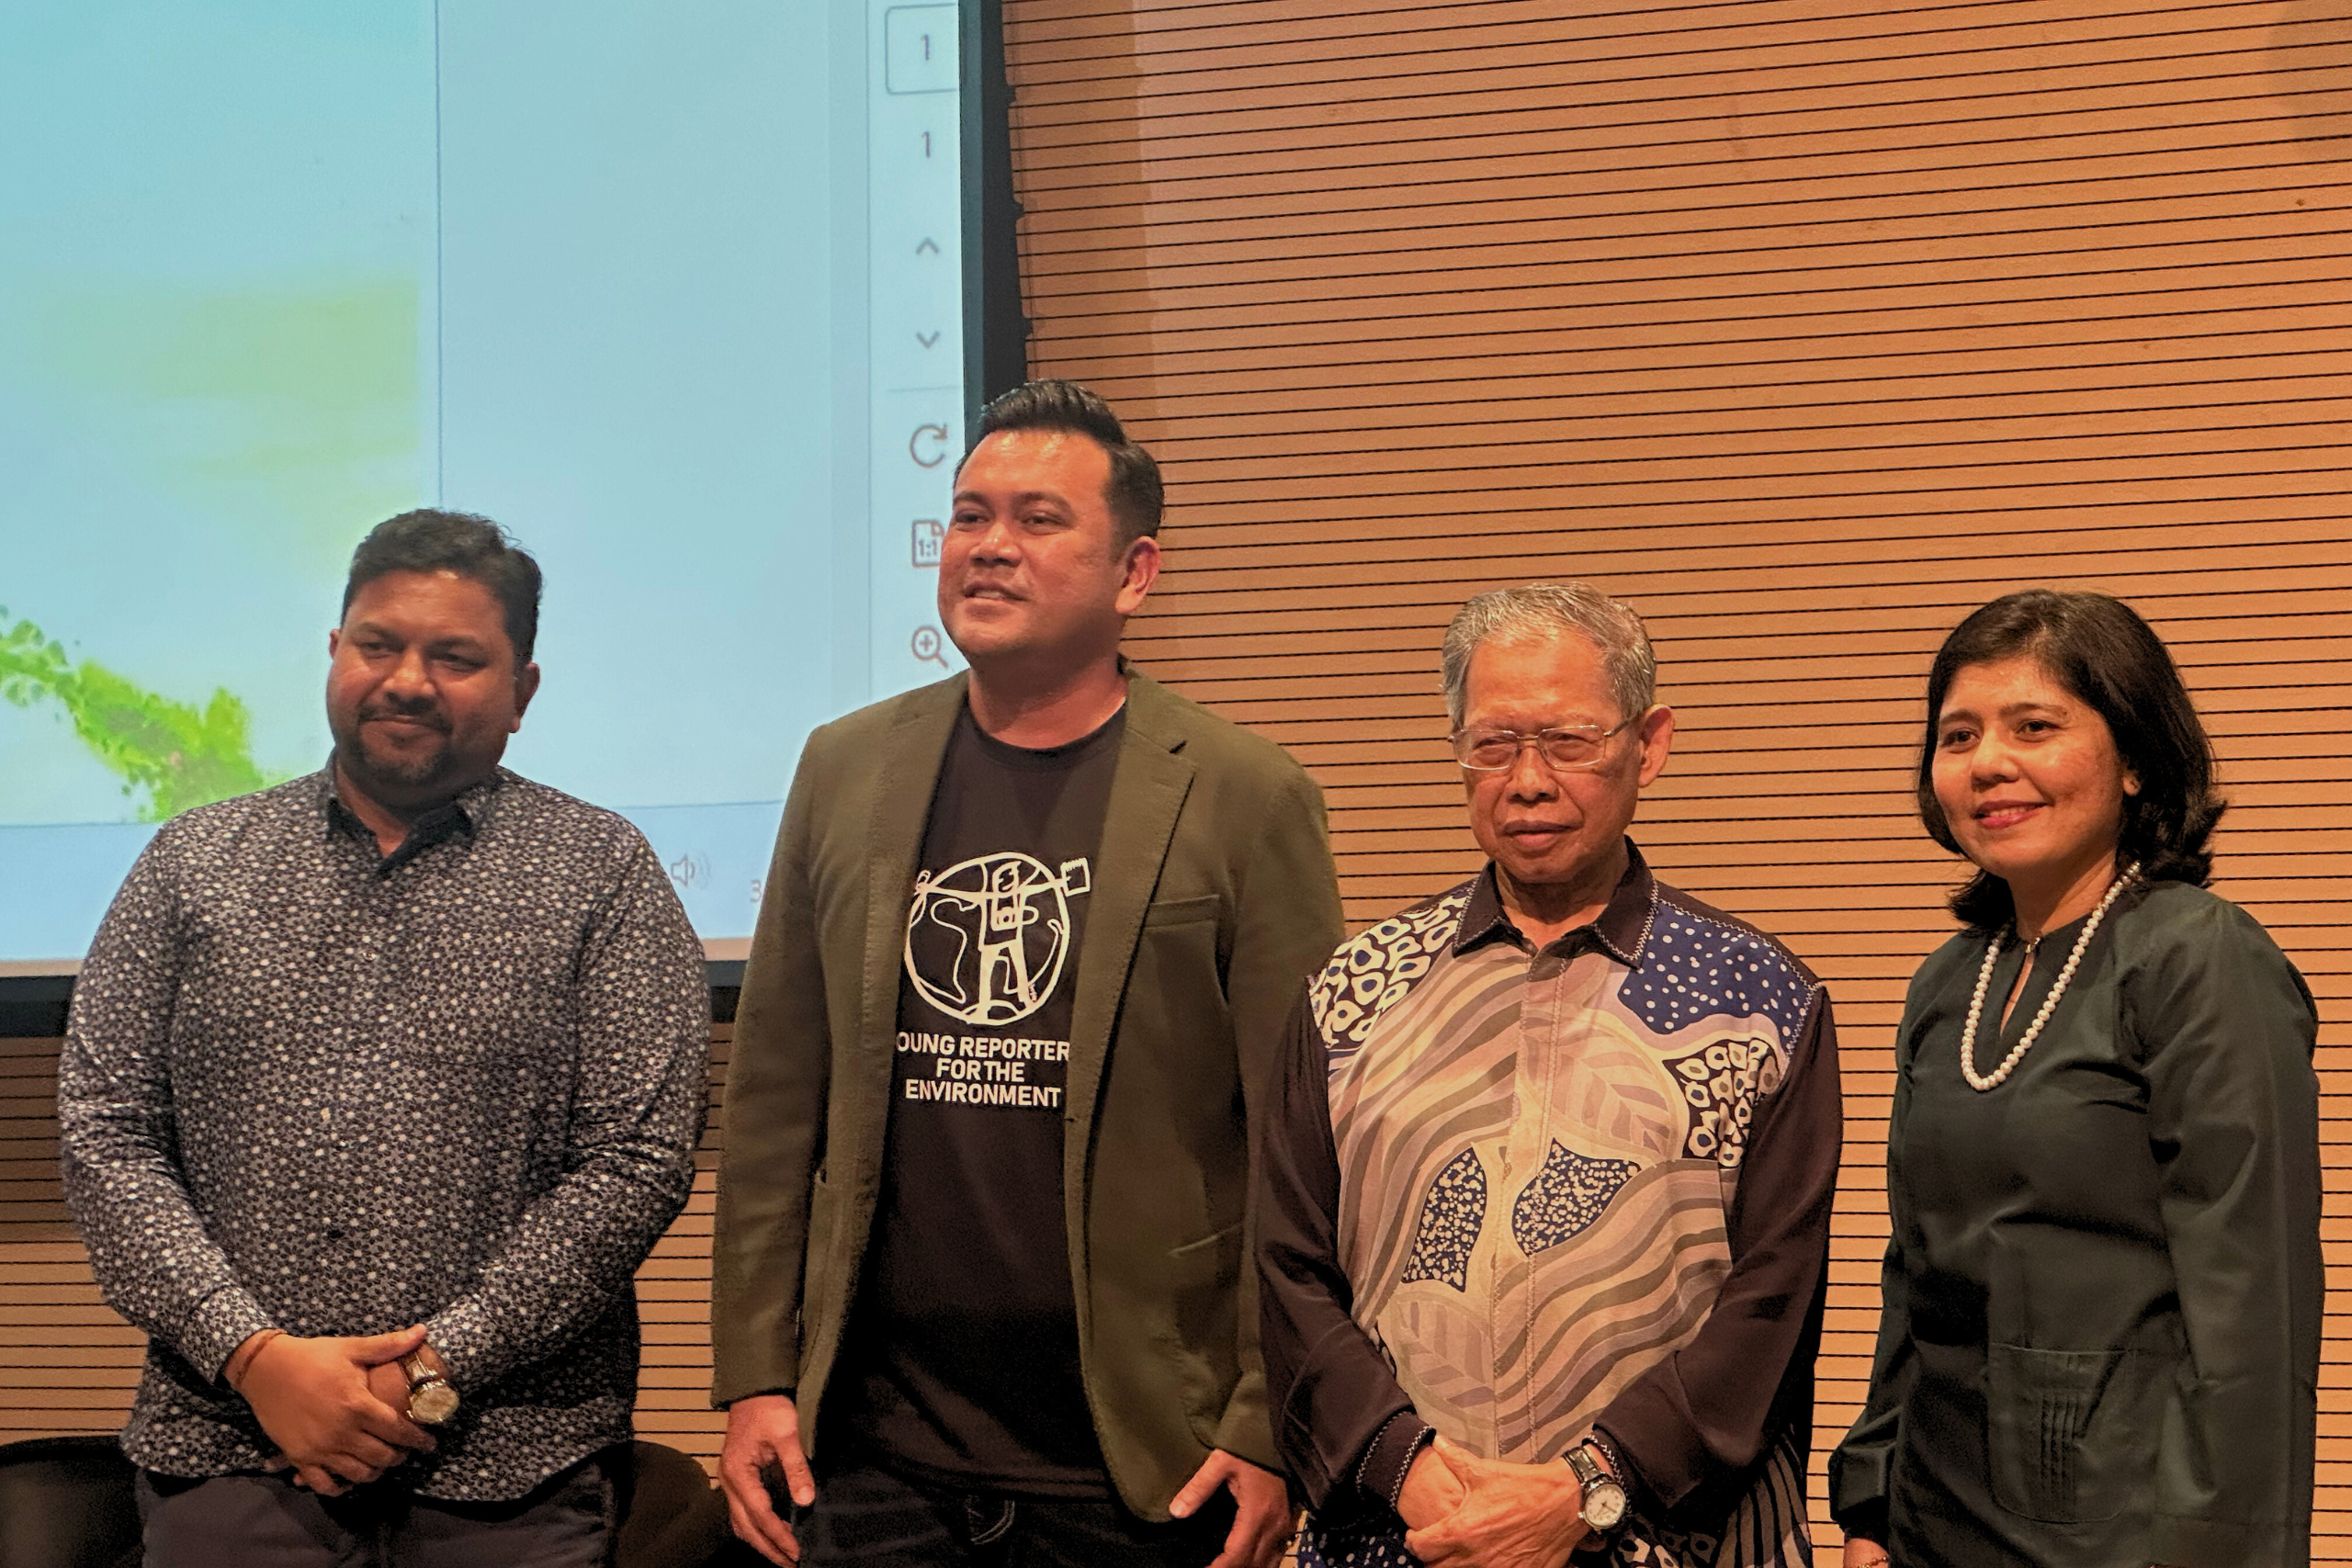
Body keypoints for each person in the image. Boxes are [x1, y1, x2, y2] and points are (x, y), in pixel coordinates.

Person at [710, 379, 1345, 1568]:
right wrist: (755, 1373)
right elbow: (773, 1106)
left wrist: (1271, 1419)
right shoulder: (846, 766)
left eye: (1039, 518)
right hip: (866, 1458)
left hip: (1144, 1459)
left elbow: (1305, 1148)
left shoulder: (1245, 794)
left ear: (1135, 571)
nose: (990, 545)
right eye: (968, 514)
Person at [57, 511, 711, 1566]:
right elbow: (107, 1132)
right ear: (334, 652)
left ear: (522, 691)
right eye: (379, 645)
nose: (409, 680)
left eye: (456, 658)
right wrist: (257, 1358)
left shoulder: (603, 873)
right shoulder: (192, 864)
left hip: (512, 1471)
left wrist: (427, 1373)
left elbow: (638, 1162)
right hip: (233, 1449)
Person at [1260, 582, 1842, 1568]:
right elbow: (1288, 1269)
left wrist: (1589, 1484)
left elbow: (1774, 1297)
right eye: (1491, 744)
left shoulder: (1761, 1003)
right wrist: (1408, 1469)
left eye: (1569, 742)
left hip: (1663, 1540)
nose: (1527, 781)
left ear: (1647, 746)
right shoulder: (1349, 995)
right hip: (1405, 1534)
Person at [1828, 589, 2321, 1568]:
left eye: (2034, 727)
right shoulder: (1948, 982)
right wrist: (1872, 1499)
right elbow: (1912, 1271)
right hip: (1937, 1513)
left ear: (2133, 758)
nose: (1989, 763)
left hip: (2126, 1529)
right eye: (1957, 734)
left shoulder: (2197, 958)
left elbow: (2249, 1315)